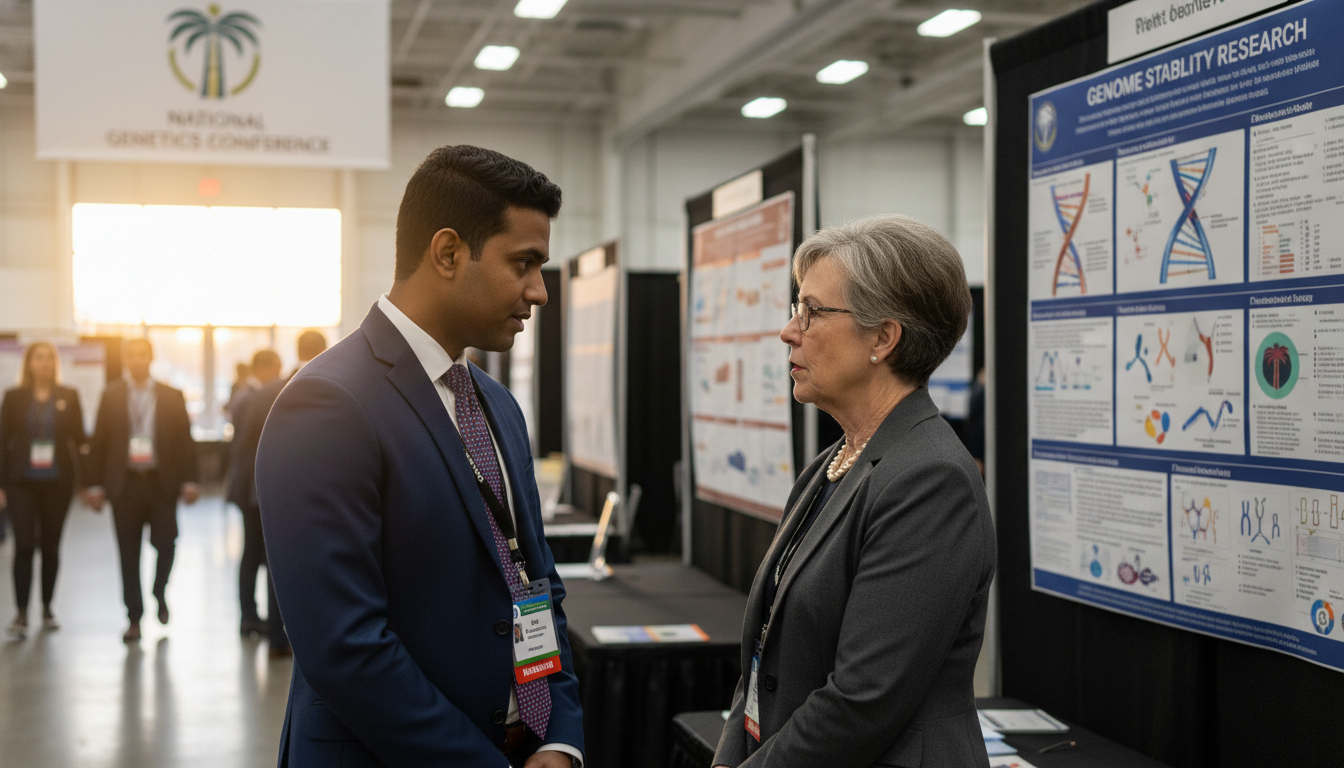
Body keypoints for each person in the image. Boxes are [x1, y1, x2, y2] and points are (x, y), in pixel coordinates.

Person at [256, 145, 583, 767]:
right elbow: (346, 649)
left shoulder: (497, 406)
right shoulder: (328, 407)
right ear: (449, 253)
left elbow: (535, 584)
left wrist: (557, 737)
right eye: (524, 264)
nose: (539, 292)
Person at [713, 215, 996, 768]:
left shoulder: (931, 481)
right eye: (797, 308)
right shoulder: (833, 463)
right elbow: (764, 664)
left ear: (884, 338)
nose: (789, 331)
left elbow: (863, 701)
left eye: (813, 311)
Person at [82, 338, 200, 643]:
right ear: (125, 360)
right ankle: (134, 617)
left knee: (166, 543)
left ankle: (159, 591)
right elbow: (100, 442)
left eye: (142, 355)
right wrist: (94, 485)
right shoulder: (111, 395)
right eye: (131, 355)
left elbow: (184, 441)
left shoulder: (171, 395)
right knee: (128, 552)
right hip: (125, 485)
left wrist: (190, 480)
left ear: (150, 358)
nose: (136, 360)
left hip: (161, 482)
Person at [233, 330, 328, 655]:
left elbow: (245, 443)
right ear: (324, 349)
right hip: (317, 493)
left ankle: (276, 636)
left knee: (274, 560)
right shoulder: (335, 385)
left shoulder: (272, 389)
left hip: (265, 489)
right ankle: (296, 633)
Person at [0, 342, 87, 638]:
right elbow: (2, 440)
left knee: (50, 545)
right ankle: (21, 613)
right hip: (20, 481)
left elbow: (79, 440)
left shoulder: (68, 396)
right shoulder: (13, 397)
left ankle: (47, 607)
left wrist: (87, 482)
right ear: (29, 364)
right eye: (39, 358)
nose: (46, 363)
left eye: (50, 358)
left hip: (56, 482)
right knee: (23, 545)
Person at [228, 349, 282, 637]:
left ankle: (249, 615)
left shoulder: (245, 395)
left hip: (248, 485)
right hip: (252, 486)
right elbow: (246, 444)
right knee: (253, 552)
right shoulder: (253, 397)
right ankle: (249, 615)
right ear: (272, 366)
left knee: (252, 551)